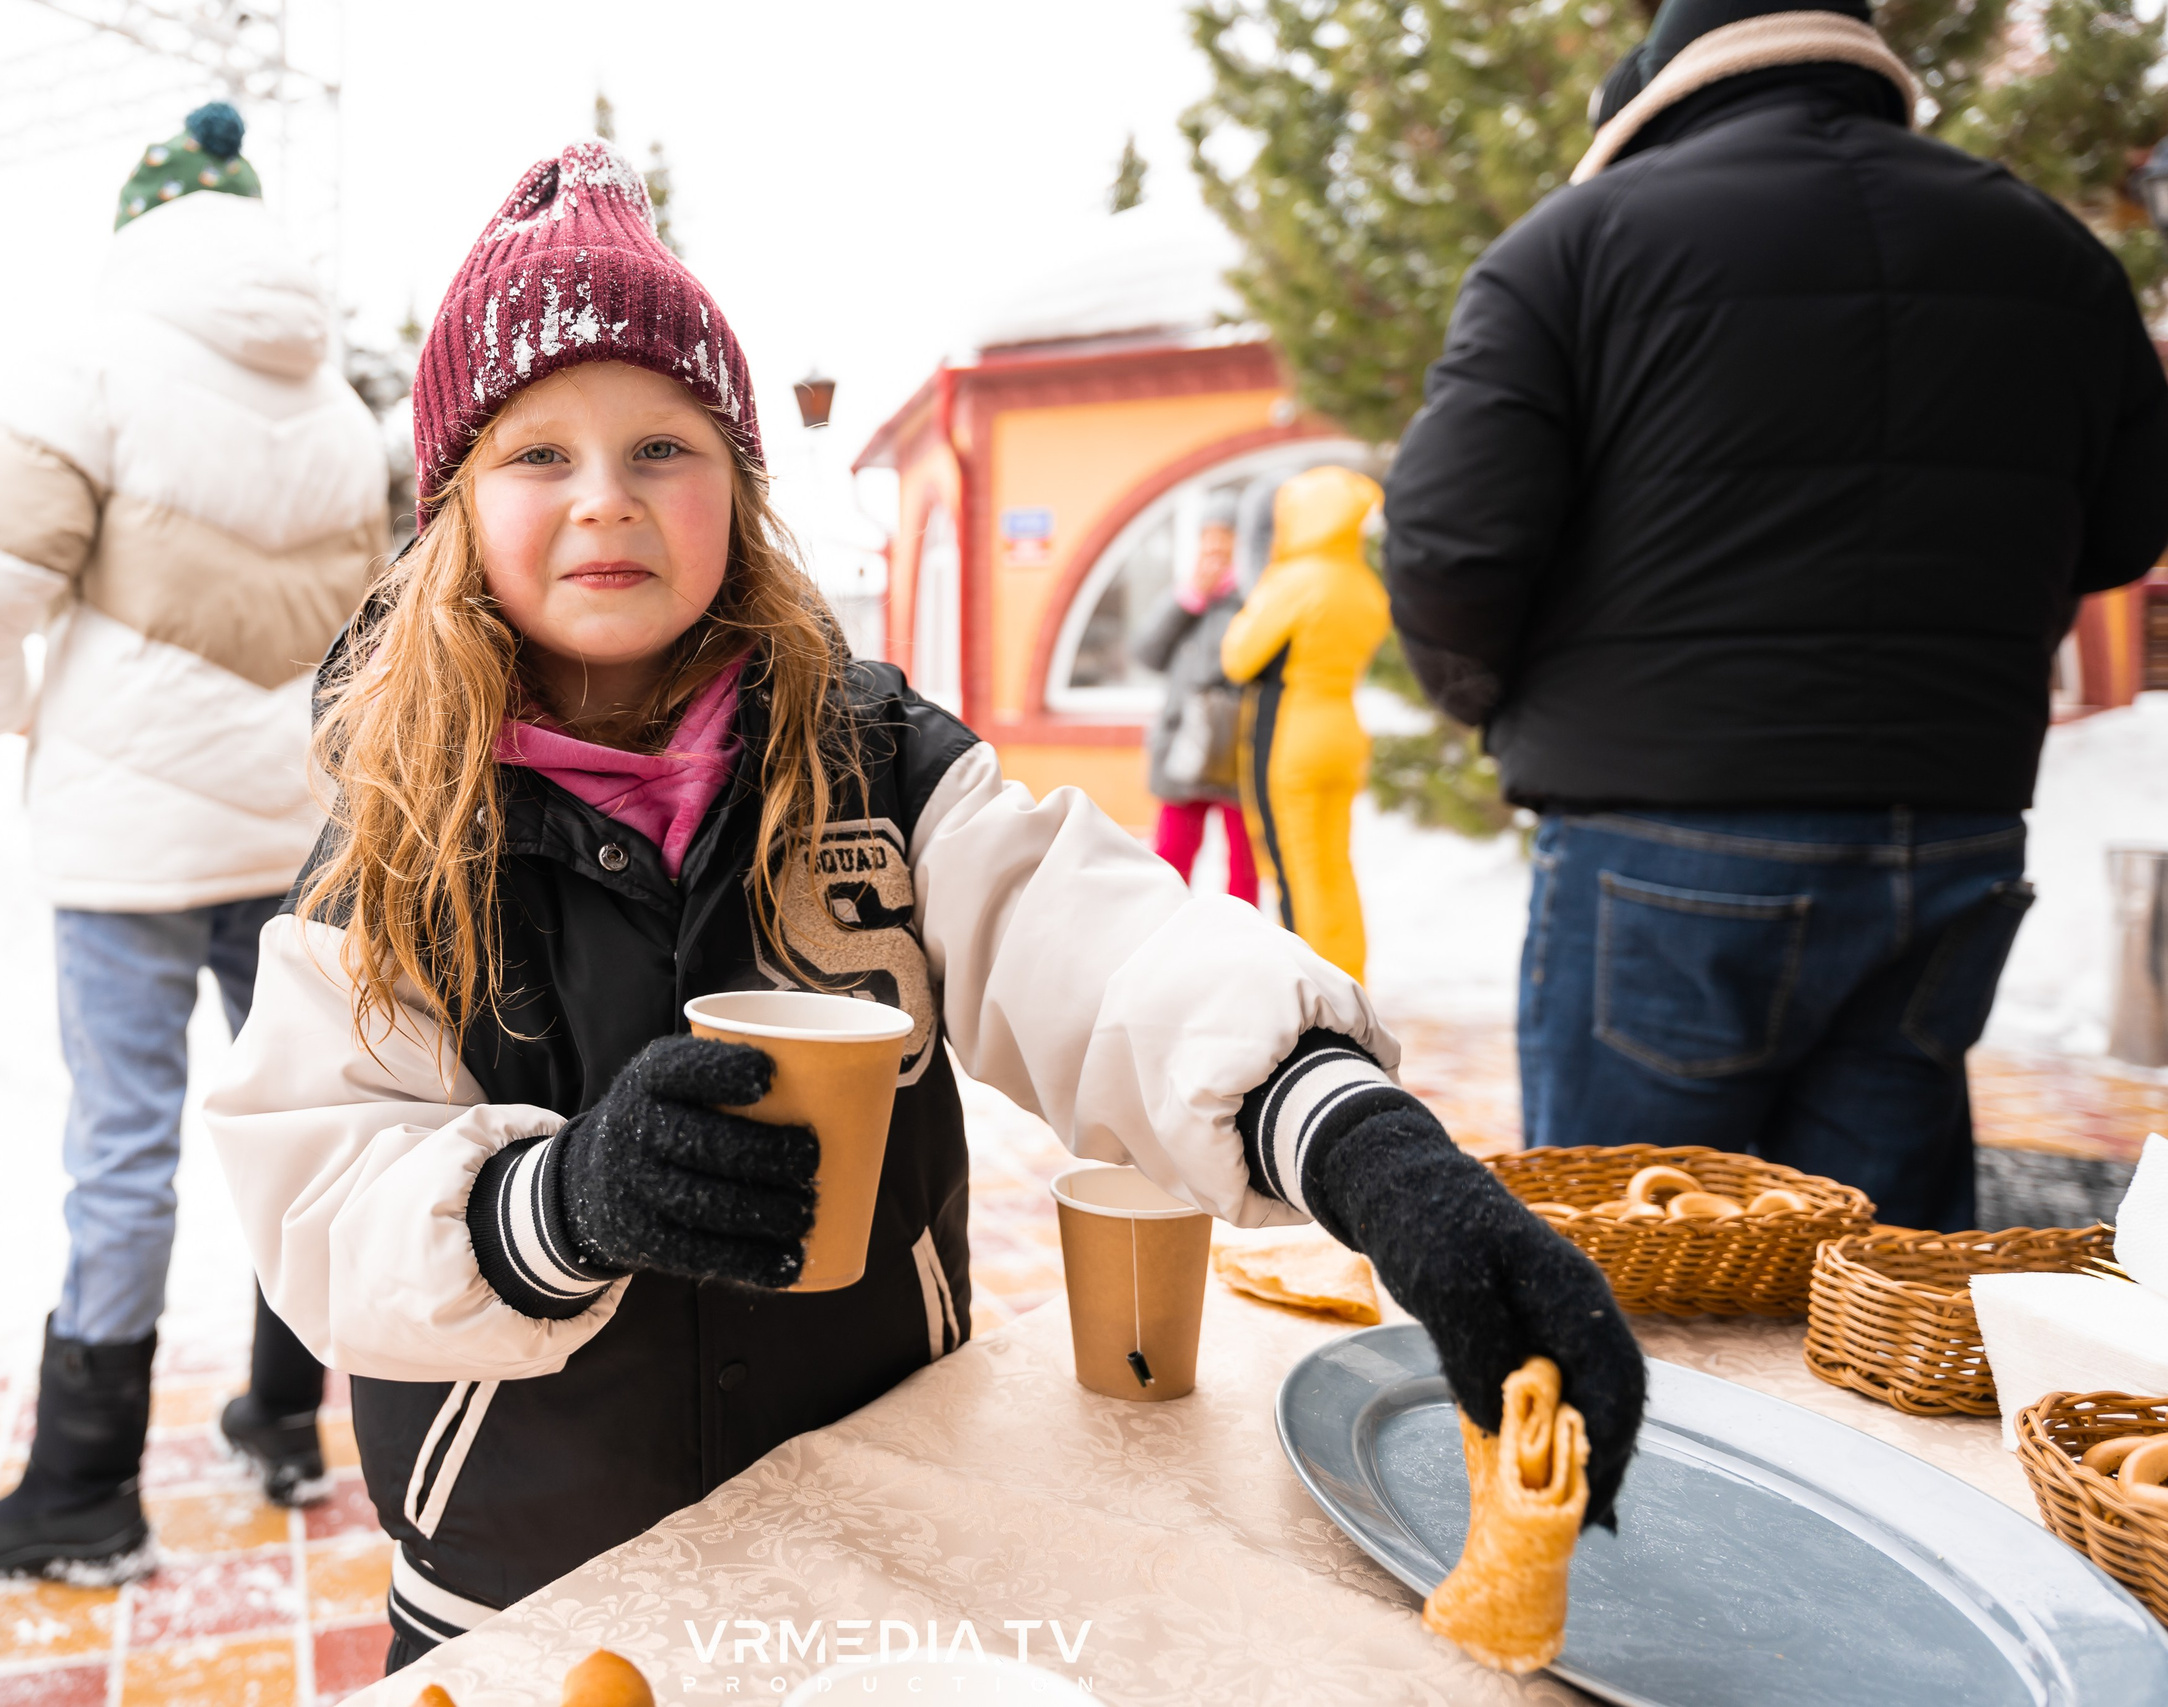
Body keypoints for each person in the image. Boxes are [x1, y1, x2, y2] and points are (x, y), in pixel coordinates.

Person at [199, 140, 1645, 1672]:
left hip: (870, 1544)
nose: (605, 500)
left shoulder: (868, 758)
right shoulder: (403, 837)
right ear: (454, 506)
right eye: (537, 455)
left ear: (739, 488)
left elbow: (1094, 942)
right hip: (529, 1593)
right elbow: (319, 1196)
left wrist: (1366, 1147)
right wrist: (557, 1207)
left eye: (664, 447)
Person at [1381, 0, 2168, 1230]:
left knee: (1631, 1263)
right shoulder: (2048, 250)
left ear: (1671, 75)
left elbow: (1445, 547)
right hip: (1948, 837)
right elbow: (2127, 528)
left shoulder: (1576, 244)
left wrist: (1500, 696)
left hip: (1664, 841)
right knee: (1879, 1276)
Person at [0, 103, 390, 1580]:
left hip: (129, 839)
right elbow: (374, 628)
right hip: (297, 827)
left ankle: (84, 1486)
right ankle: (286, 1417)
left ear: (142, 221)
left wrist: (6, 715)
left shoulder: (89, 361)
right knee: (296, 1124)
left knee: (121, 1151)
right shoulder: (338, 408)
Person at [1222, 466, 1393, 980]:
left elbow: (1238, 657)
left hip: (1290, 736)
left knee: (1296, 869)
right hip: (1343, 729)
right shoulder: (1363, 584)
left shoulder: (1295, 580)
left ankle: (1315, 991)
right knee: (1336, 866)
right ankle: (1351, 977)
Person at [1131, 490, 1256, 900]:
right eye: (1208, 536)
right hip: (1182, 746)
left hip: (1236, 749)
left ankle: (1242, 946)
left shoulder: (1256, 598)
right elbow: (1145, 654)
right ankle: (1168, 936)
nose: (1215, 546)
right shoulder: (1185, 598)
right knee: (1171, 856)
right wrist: (1187, 602)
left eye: (1226, 536)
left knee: (1243, 863)